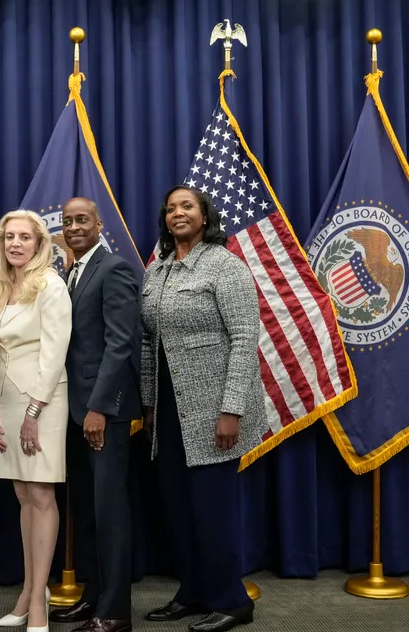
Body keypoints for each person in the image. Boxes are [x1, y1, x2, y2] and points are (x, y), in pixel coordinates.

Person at [140, 185, 266, 632]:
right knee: (178, 507)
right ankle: (192, 592)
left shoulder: (225, 265)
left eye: (186, 206)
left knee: (212, 510)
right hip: (170, 413)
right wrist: (151, 405)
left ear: (204, 215)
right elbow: (148, 343)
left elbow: (244, 339)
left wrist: (231, 409)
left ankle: (232, 601)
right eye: (171, 207)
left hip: (215, 410)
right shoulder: (157, 271)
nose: (178, 213)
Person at [47, 198, 141, 632]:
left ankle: (115, 611)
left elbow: (121, 344)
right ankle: (93, 597)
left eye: (82, 219)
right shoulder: (70, 272)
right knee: (86, 510)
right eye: (67, 221)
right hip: (73, 411)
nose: (73, 226)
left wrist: (99, 408)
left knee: (110, 513)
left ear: (99, 224)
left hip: (103, 412)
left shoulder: (114, 268)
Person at [0, 210, 73, 632]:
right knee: (23, 495)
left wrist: (34, 412)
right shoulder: (6, 286)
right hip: (11, 401)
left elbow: (55, 354)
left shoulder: (50, 286)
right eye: (9, 237)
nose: (16, 244)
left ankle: (38, 601)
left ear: (39, 244)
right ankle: (27, 590)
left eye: (25, 237)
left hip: (44, 399)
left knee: (41, 495)